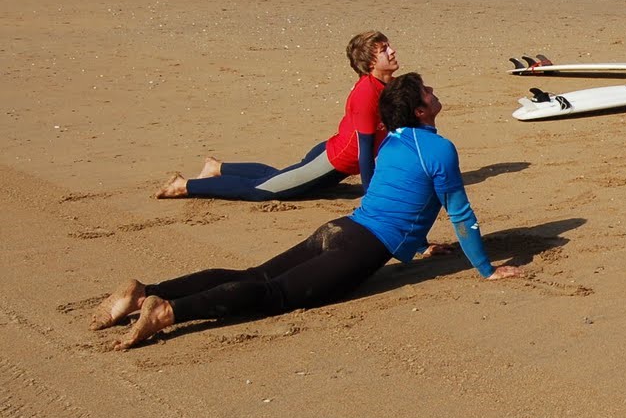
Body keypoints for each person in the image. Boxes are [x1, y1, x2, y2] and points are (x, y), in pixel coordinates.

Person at [93, 73, 521, 350]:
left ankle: (147, 289)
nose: (433, 90)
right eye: (427, 90)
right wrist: (486, 269)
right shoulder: (438, 149)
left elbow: (399, 197)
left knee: (254, 276)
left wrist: (420, 245)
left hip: (340, 229)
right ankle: (168, 310)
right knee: (275, 295)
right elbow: (461, 215)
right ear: (420, 109)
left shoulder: (393, 141)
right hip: (361, 247)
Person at [158, 32, 397, 201]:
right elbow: (364, 151)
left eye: (388, 46)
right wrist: (370, 194)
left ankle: (217, 167)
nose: (392, 51)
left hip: (332, 154)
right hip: (334, 161)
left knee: (276, 178)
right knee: (262, 190)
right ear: (369, 63)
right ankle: (183, 185)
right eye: (383, 49)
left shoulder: (387, 85)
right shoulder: (367, 92)